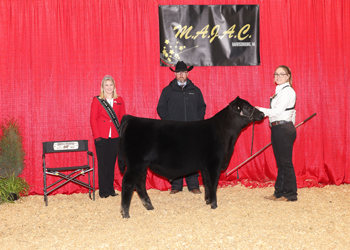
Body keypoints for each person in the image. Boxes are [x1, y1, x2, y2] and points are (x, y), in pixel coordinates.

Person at [157, 61, 206, 194]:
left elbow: (202, 106)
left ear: (187, 73)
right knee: (175, 157)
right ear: (175, 74)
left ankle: (193, 185)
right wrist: (169, 122)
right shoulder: (167, 91)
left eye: (183, 72)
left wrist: (198, 120)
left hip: (192, 130)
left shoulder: (195, 90)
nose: (181, 75)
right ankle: (176, 186)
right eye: (178, 72)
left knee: (192, 157)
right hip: (174, 130)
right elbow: (161, 108)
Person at [256, 65, 298, 202]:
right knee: (281, 163)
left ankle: (291, 194)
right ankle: (279, 192)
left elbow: (278, 111)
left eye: (282, 74)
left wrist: (259, 110)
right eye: (276, 74)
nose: (278, 76)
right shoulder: (279, 91)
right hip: (279, 128)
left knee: (285, 163)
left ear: (288, 76)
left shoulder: (287, 92)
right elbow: (292, 112)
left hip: (283, 129)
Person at [90, 75, 126, 198]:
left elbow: (122, 118)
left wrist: (122, 135)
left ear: (114, 87)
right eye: (107, 85)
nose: (109, 87)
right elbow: (93, 119)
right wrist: (97, 136)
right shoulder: (97, 100)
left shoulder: (120, 100)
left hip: (115, 136)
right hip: (101, 136)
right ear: (103, 87)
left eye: (111, 85)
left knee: (111, 164)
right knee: (103, 164)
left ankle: (110, 190)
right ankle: (103, 191)